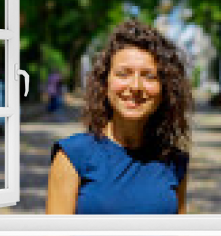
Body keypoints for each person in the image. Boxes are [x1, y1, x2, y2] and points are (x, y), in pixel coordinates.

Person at [46, 18, 194, 214]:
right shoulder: (73, 156)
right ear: (105, 83)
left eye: (149, 76)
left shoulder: (174, 162)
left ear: (165, 89)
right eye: (123, 74)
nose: (135, 86)